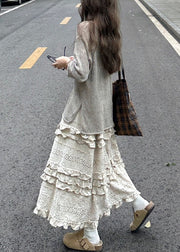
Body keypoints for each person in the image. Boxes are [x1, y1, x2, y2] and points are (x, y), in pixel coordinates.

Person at [33, 0, 155, 251]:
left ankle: (91, 236)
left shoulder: (86, 28)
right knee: (106, 167)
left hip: (83, 115)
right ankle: (139, 204)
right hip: (102, 113)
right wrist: (74, 59)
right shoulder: (109, 28)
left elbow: (81, 72)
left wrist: (65, 63)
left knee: (83, 177)